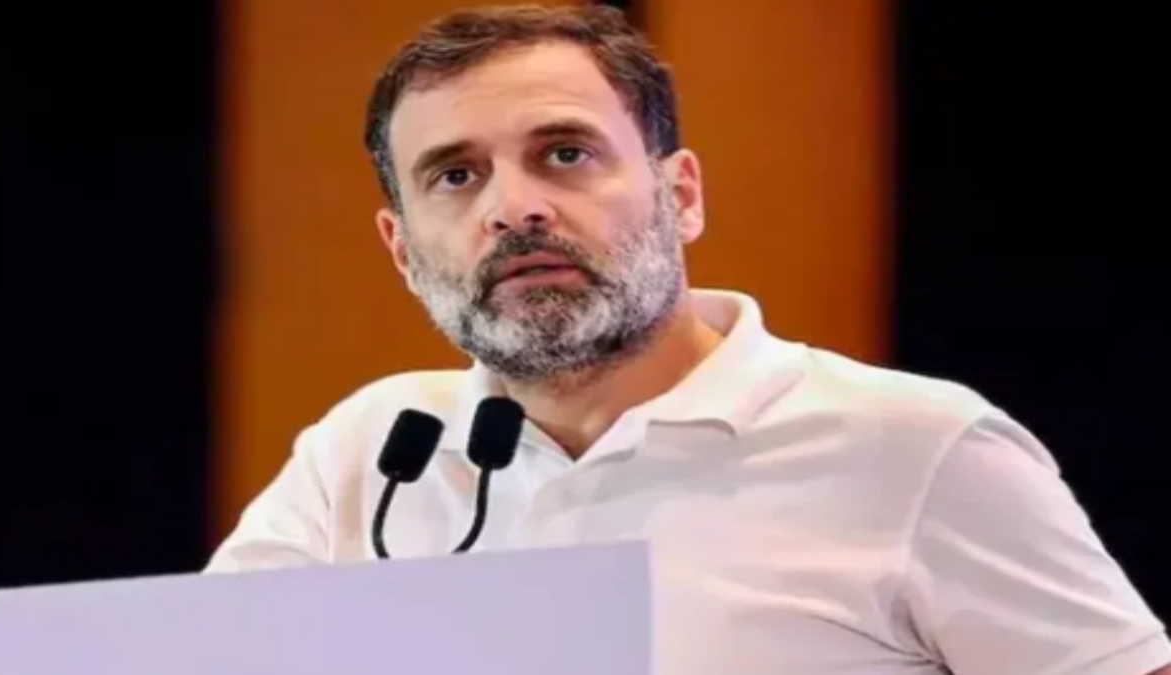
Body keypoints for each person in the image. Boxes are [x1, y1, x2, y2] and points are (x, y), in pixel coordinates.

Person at [205, 5, 1170, 674]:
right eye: (455, 176)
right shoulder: (373, 450)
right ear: (402, 249)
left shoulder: (919, 446)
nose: (514, 207)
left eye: (565, 153)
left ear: (681, 195)